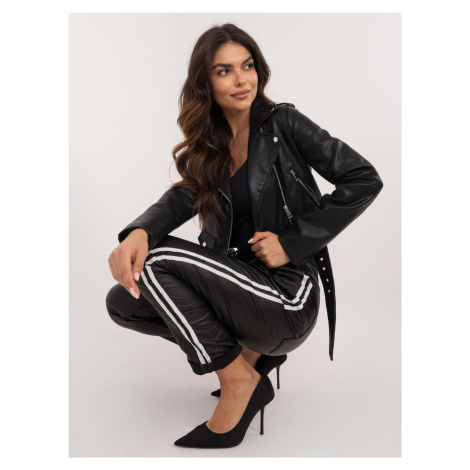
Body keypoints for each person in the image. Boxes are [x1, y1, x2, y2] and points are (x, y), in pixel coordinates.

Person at [105, 23, 383, 449]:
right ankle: (248, 358)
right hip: (241, 284)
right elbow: (182, 196)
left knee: (157, 263)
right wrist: (139, 231)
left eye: (247, 66)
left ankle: (239, 382)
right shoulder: (212, 145)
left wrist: (292, 242)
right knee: (126, 300)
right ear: (205, 83)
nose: (241, 80)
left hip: (288, 294)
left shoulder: (283, 123)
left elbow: (363, 178)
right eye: (224, 71)